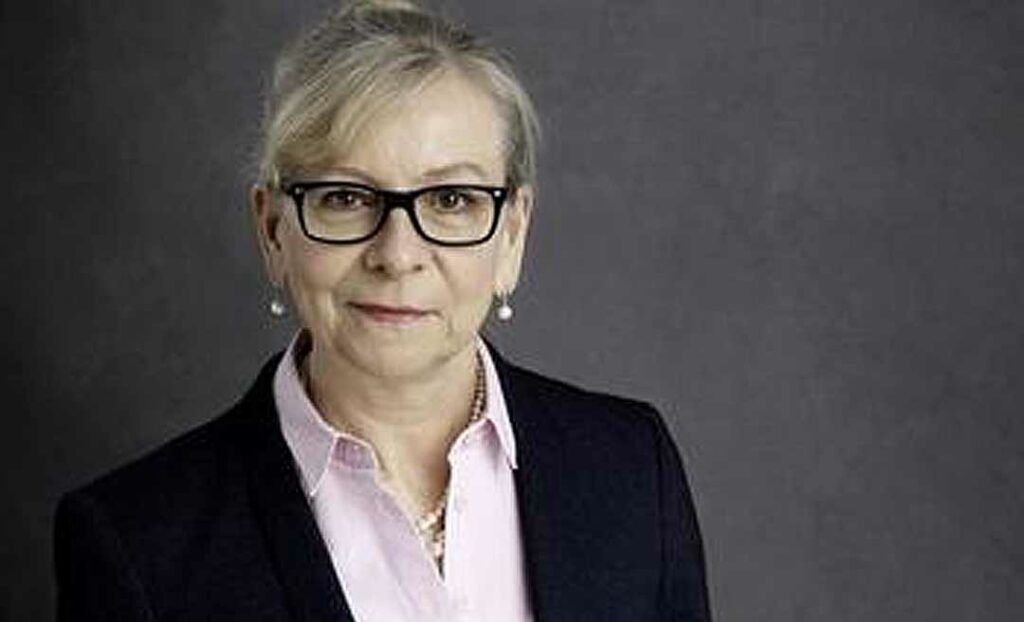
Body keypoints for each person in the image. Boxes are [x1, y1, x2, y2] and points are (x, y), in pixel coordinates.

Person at [53, 1, 711, 620]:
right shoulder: (137, 542)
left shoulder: (632, 469)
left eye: (451, 200)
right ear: (274, 231)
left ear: (512, 235)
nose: (398, 255)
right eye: (345, 198)